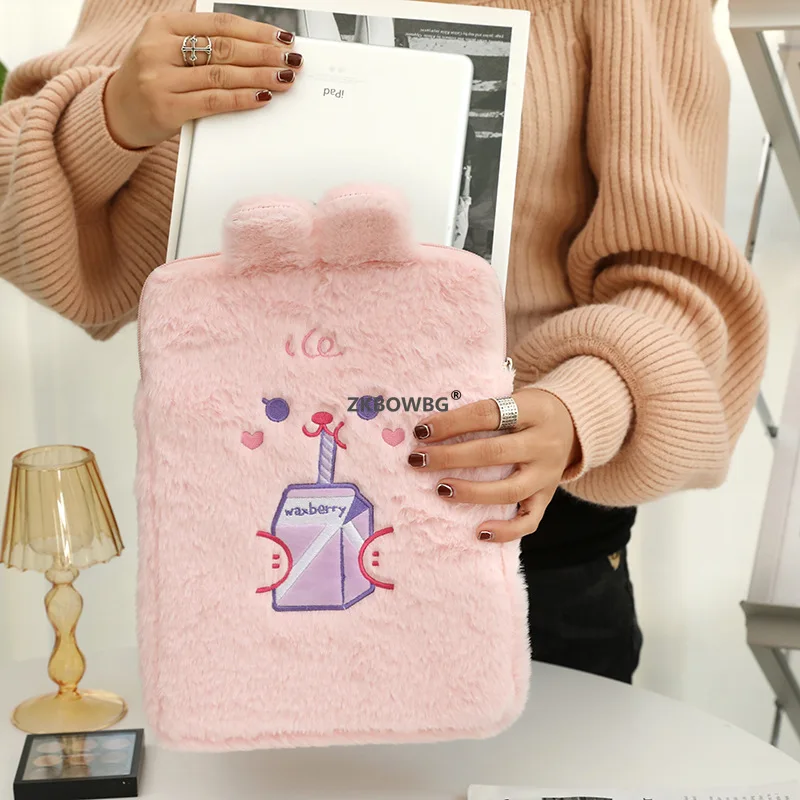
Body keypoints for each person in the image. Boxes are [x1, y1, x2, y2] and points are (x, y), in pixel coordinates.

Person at [0, 0, 767, 685]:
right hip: (244, 517)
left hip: (509, 526)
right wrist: (114, 118)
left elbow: (679, 276)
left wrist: (581, 406)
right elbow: (21, 211)